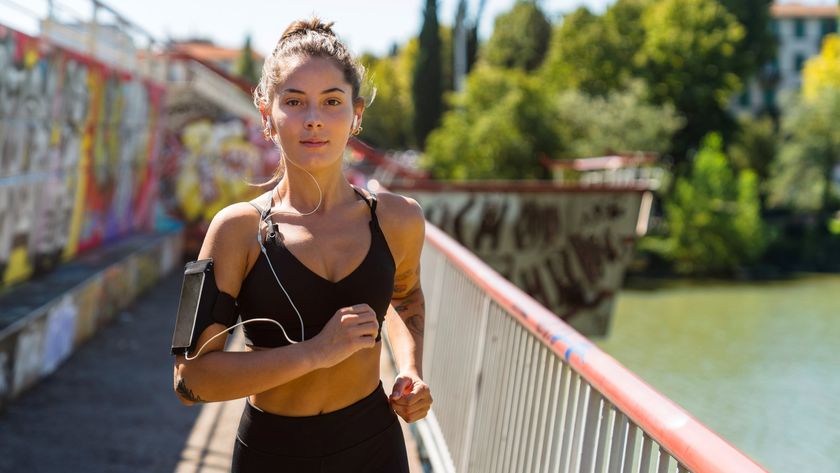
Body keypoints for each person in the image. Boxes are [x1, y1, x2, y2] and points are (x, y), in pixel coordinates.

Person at [171, 17, 432, 472]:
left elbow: (405, 296)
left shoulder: (398, 219)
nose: (313, 118)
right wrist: (314, 352)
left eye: (332, 101)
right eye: (295, 101)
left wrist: (409, 369)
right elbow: (190, 379)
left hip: (374, 447)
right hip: (272, 454)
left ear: (356, 115)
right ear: (268, 117)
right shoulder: (237, 230)